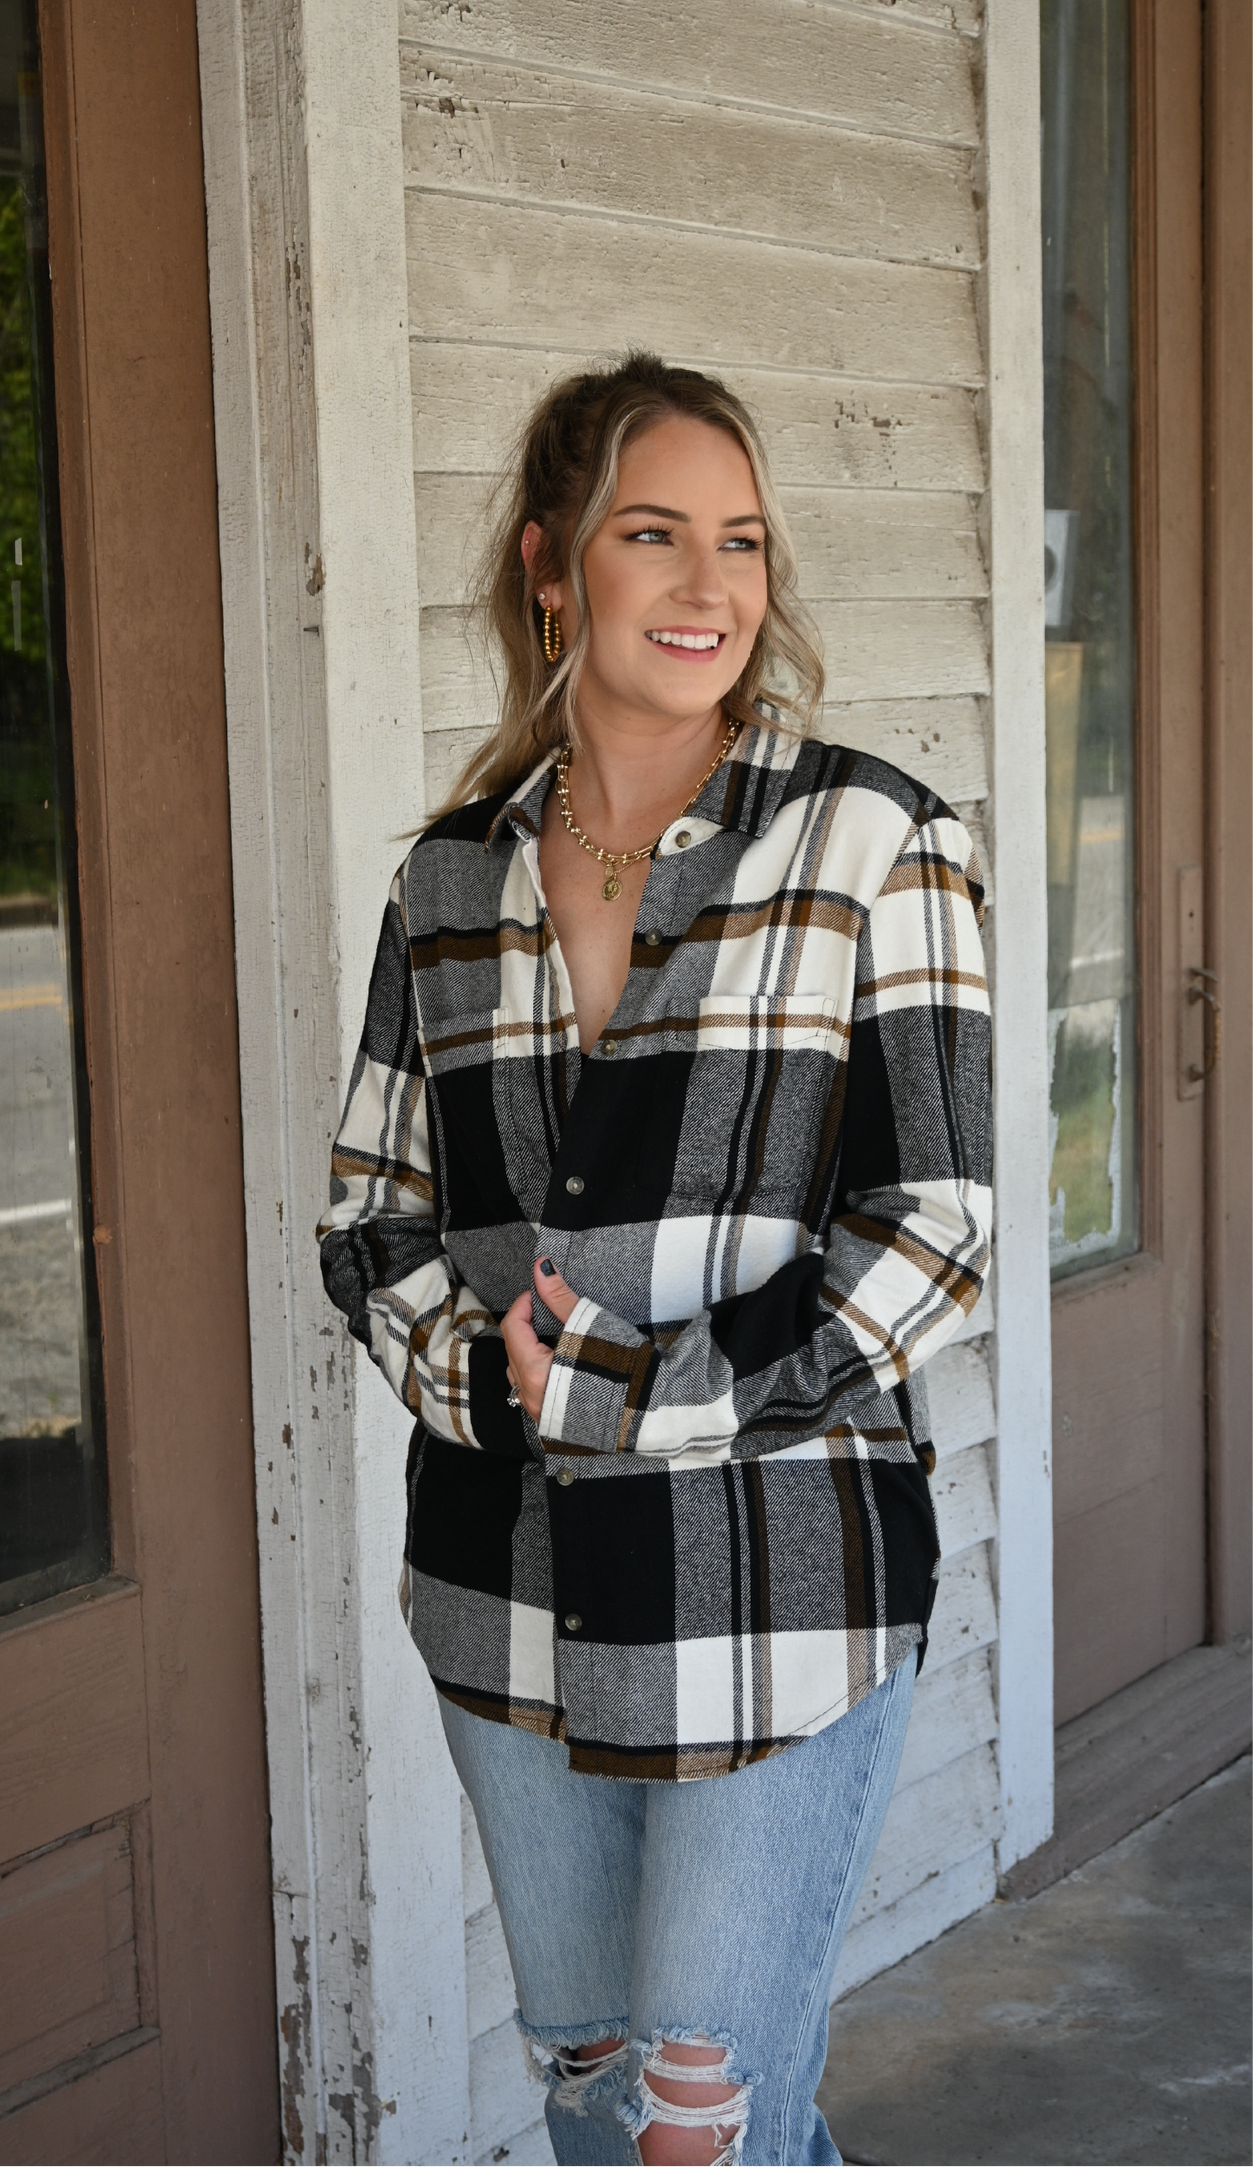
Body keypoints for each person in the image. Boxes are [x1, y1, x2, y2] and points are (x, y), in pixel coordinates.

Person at [317, 352, 991, 2167]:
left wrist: (647, 1390)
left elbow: (934, 1232)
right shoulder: (447, 886)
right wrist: (485, 1375)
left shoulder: (875, 842)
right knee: (595, 2090)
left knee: (706, 2125)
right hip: (506, 1590)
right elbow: (370, 1211)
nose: (710, 585)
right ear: (553, 566)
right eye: (655, 533)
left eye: (745, 542)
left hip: (773, 1584)